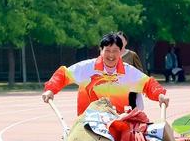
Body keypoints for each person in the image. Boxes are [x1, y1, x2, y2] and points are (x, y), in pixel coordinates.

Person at [41, 33, 169, 114]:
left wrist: (160, 95)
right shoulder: (86, 67)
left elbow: (148, 84)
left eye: (115, 51)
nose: (111, 55)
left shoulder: (128, 71)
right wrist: (50, 90)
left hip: (119, 120)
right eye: (107, 50)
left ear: (121, 52)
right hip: (88, 119)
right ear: (100, 50)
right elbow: (63, 75)